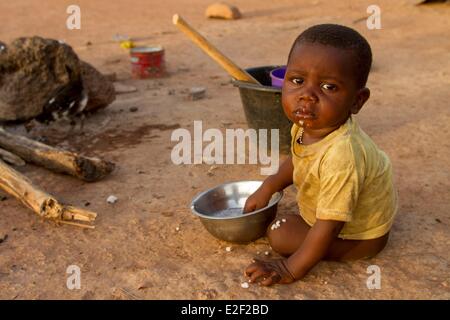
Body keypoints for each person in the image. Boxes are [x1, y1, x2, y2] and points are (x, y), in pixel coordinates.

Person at [243, 24, 398, 286]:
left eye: (328, 87)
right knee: (284, 225)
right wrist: (268, 186)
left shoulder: (342, 155)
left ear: (357, 101)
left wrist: (290, 268)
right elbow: (298, 158)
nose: (306, 96)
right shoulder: (308, 124)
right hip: (336, 220)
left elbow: (331, 224)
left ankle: (341, 251)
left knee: (280, 234)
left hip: (360, 237)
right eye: (297, 81)